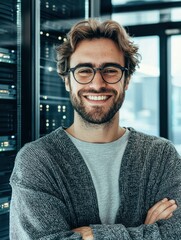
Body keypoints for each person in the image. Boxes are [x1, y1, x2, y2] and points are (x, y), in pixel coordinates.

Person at [10, 19, 181, 240]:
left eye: (110, 70)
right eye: (84, 70)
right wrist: (146, 232)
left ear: (126, 79)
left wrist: (94, 235)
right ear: (67, 80)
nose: (97, 83)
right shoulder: (37, 161)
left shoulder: (161, 156)